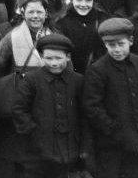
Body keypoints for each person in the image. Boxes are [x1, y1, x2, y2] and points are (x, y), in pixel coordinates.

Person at [83, 17, 138, 178]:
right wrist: (113, 129)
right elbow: (92, 106)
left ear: (131, 41)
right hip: (111, 143)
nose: (117, 50)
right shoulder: (97, 70)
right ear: (105, 44)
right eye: (111, 45)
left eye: (121, 44)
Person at [11, 32, 88, 178]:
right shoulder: (31, 80)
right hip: (38, 148)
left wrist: (83, 142)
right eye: (48, 58)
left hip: (69, 145)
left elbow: (83, 113)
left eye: (58, 58)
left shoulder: (78, 80)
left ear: (68, 57)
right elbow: (19, 109)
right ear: (41, 57)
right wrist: (34, 131)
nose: (54, 63)